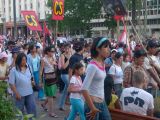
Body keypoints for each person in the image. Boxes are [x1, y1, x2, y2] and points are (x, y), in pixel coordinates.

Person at [81, 37, 111, 120]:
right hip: (92, 104)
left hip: (102, 102)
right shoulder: (92, 66)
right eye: (105, 47)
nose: (108, 49)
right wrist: (92, 107)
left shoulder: (102, 63)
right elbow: (83, 88)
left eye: (109, 47)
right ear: (98, 49)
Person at [9, 53, 36, 117]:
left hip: (29, 92)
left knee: (32, 110)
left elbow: (32, 77)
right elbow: (11, 83)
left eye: (25, 60)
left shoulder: (28, 66)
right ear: (18, 60)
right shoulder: (14, 70)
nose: (24, 62)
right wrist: (17, 93)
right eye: (23, 60)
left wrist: (33, 82)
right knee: (18, 112)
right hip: (19, 94)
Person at [40, 46, 58, 117]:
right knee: (51, 96)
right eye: (52, 51)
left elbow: (55, 67)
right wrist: (40, 81)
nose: (53, 53)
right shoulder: (43, 59)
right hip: (48, 78)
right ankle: (51, 112)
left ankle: (44, 104)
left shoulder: (53, 57)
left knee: (51, 94)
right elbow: (41, 70)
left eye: (54, 51)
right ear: (47, 52)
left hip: (53, 77)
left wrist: (55, 64)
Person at [59, 43, 71, 111]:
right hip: (64, 75)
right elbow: (63, 67)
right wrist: (69, 59)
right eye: (66, 48)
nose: (67, 50)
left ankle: (61, 105)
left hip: (69, 74)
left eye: (68, 48)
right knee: (72, 89)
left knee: (65, 91)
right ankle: (74, 107)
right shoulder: (62, 55)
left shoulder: (71, 54)